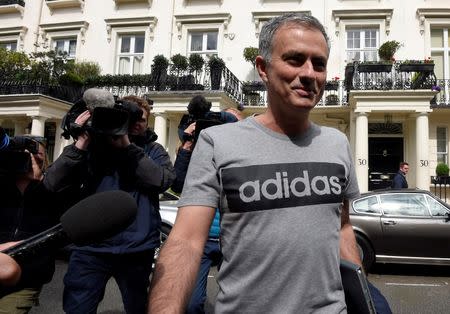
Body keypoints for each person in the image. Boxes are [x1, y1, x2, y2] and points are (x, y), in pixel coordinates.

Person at [149, 13, 363, 313]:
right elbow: (185, 241)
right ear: (263, 68)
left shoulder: (338, 143)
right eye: (295, 59)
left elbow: (342, 229)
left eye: (319, 63)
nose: (309, 73)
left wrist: (362, 298)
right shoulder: (217, 142)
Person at [44, 90, 176, 314]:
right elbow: (51, 183)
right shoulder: (89, 148)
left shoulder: (152, 151)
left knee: (139, 307)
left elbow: (161, 181)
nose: (134, 124)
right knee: (78, 308)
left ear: (148, 122)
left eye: (140, 119)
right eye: (128, 120)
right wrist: (82, 141)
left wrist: (127, 147)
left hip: (136, 248)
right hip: (90, 248)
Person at [172, 101, 242, 314]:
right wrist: (188, 146)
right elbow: (177, 184)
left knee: (238, 300)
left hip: (234, 238)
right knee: (192, 303)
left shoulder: (241, 156)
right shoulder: (195, 152)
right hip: (201, 240)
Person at [0, 136, 70, 313]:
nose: (26, 160)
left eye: (35, 156)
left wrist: (40, 187)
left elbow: (59, 230)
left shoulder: (54, 189)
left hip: (25, 278)